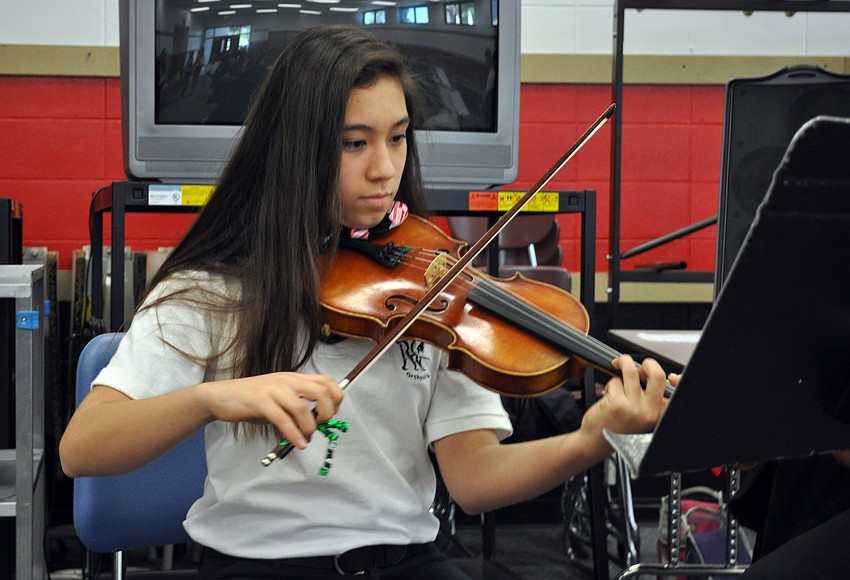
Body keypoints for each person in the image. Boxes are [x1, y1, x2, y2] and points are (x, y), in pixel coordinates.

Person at [59, 25, 669, 579]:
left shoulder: (436, 288)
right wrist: (214, 397)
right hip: (259, 565)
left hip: (409, 562)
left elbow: (475, 479)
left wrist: (593, 439)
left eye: (398, 138)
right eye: (355, 144)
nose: (386, 169)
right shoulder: (214, 289)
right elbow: (82, 447)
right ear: (296, 149)